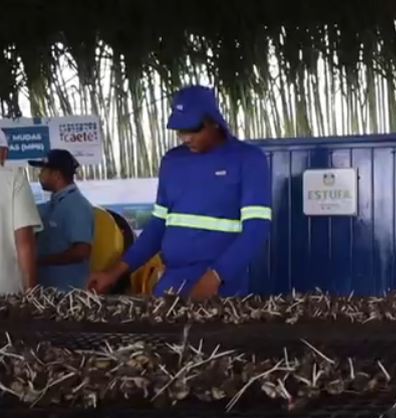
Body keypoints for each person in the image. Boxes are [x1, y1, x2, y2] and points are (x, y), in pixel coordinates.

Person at [87, 84, 272, 300]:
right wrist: (113, 273)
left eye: (193, 129)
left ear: (213, 122)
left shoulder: (249, 159)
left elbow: (256, 230)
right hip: (171, 282)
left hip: (222, 287)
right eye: (180, 131)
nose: (185, 138)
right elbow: (156, 229)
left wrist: (215, 276)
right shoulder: (172, 161)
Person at [28, 149, 95, 291]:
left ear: (56, 175)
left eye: (43, 170)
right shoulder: (48, 206)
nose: (39, 175)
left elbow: (82, 251)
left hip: (69, 293)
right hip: (47, 291)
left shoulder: (77, 206)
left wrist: (41, 260)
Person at [0, 129, 42, 293]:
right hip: (6, 294)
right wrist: (31, 296)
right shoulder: (14, 178)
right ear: (4, 152)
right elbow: (24, 244)